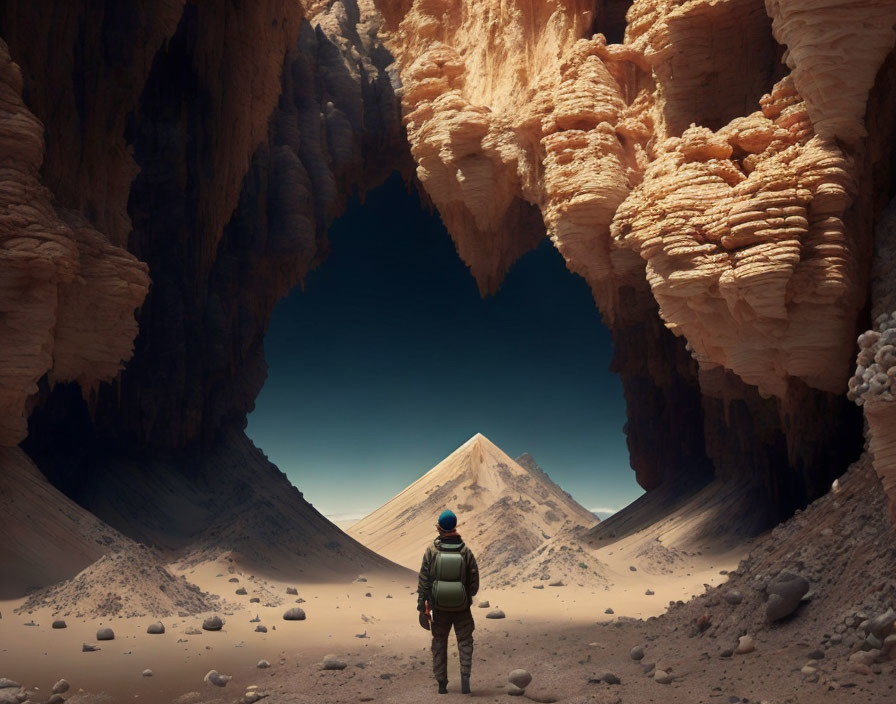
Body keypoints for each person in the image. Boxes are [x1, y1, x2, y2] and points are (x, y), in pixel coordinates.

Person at [417, 509, 480, 694]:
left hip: (439, 608)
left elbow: (424, 580)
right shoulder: (465, 551)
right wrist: (466, 597)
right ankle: (465, 679)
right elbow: (474, 581)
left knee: (439, 643)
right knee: (465, 642)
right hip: (462, 609)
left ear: (439, 528)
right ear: (454, 527)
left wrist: (423, 603)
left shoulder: (432, 550)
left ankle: (442, 684)